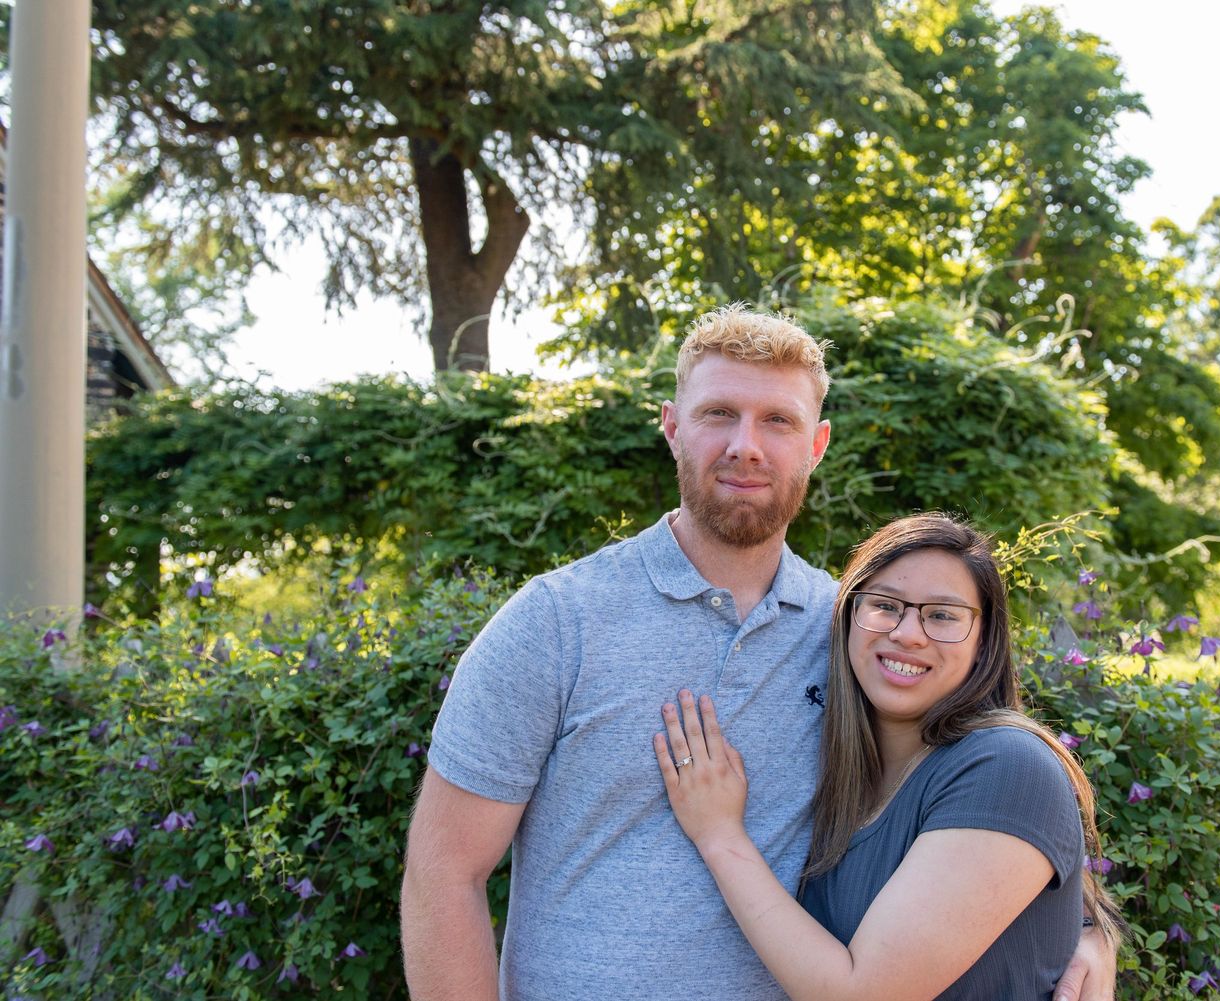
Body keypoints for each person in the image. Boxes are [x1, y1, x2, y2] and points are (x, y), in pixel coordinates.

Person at [400, 305, 1115, 1001]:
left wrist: (1085, 929)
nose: (747, 443)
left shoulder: (853, 633)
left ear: (817, 444)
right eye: (719, 414)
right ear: (673, 427)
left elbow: (981, 785)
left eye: (778, 420)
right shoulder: (555, 622)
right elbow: (444, 872)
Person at [656, 514, 1118, 1001]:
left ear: (985, 642)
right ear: (847, 619)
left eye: (942, 614)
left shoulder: (1006, 765)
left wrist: (720, 835)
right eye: (884, 606)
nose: (908, 633)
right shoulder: (850, 771)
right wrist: (1090, 925)